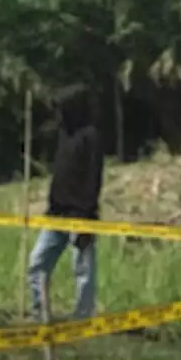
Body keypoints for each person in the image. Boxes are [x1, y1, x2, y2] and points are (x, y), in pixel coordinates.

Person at [26, 84, 104, 322]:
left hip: (80, 215)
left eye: (62, 109)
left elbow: (93, 178)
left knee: (82, 269)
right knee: (37, 262)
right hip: (55, 212)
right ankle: (40, 310)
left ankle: (83, 316)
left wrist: (86, 217)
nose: (59, 115)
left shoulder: (90, 136)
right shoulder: (63, 133)